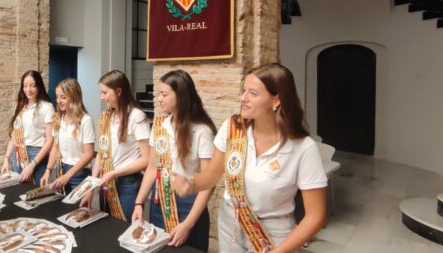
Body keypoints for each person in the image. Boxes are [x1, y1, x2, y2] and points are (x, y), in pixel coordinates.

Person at [173, 63, 328, 253]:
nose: (243, 98)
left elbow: (316, 216)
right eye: (244, 90)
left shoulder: (303, 148)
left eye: (253, 93)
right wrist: (191, 183)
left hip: (273, 233)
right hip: (229, 222)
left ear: (276, 100)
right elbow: (212, 174)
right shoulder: (233, 128)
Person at [131, 70, 215, 251]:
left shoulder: (202, 130)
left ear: (182, 96)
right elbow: (153, 168)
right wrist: (139, 202)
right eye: (158, 94)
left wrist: (188, 224)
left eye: (164, 94)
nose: (159, 99)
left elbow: (208, 182)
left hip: (189, 203)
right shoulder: (160, 125)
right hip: (159, 201)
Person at [80, 70, 150, 222]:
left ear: (118, 91)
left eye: (105, 92)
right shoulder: (107, 116)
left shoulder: (137, 116)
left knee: (125, 227)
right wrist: (91, 185)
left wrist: (114, 173)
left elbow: (146, 159)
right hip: (107, 180)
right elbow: (101, 154)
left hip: (127, 183)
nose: (101, 97)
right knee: (107, 226)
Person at [40, 78, 95, 194]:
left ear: (74, 97)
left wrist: (69, 175)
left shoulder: (86, 120)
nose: (59, 101)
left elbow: (89, 154)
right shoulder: (58, 118)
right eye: (57, 96)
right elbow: (55, 148)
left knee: (78, 210)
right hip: (62, 170)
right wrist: (48, 171)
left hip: (80, 173)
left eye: (63, 97)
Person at [0, 70, 54, 185]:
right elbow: (14, 136)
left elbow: (50, 141)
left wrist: (33, 164)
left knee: (35, 193)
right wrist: (6, 158)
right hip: (18, 153)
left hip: (37, 154)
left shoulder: (47, 107)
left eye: (32, 85)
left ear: (38, 86)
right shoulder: (20, 106)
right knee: (17, 190)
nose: (28, 89)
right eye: (25, 86)